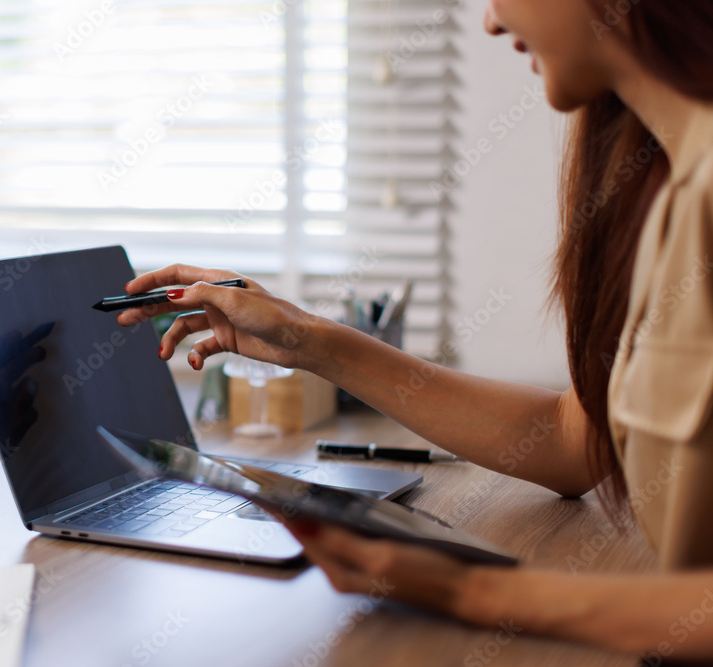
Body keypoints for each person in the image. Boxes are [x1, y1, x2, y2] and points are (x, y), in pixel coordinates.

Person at [115, 0, 713, 659]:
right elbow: (577, 441)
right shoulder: (670, 193)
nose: (491, 21)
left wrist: (472, 592)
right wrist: (305, 338)